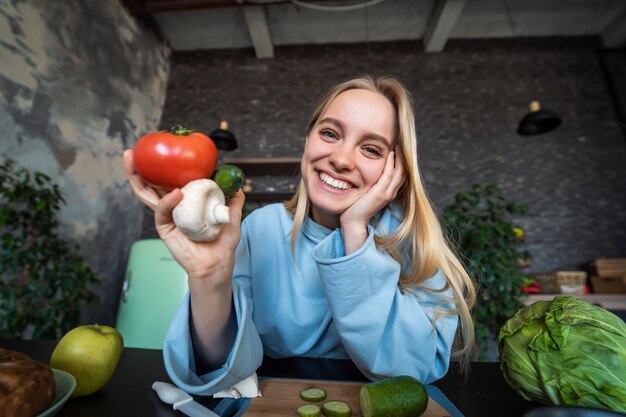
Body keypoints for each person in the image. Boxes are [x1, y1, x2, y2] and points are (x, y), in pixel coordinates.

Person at [123, 75, 476, 396]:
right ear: (307, 141)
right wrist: (208, 277)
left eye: (371, 149)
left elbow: (411, 372)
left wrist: (355, 231)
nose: (340, 159)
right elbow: (221, 368)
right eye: (330, 133)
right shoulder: (261, 228)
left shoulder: (417, 244)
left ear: (395, 169)